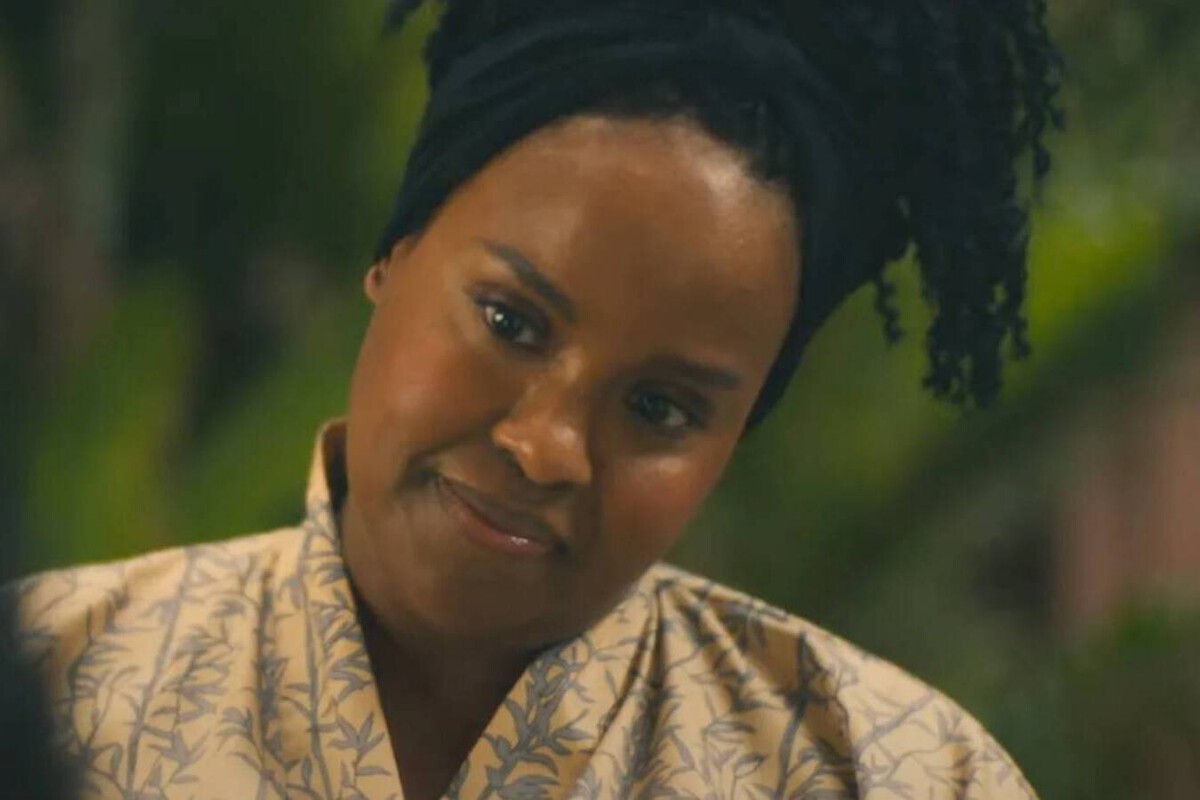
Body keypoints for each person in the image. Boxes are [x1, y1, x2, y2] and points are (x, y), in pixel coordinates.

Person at [11, 0, 1063, 798]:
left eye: (661, 408)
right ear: (396, 252)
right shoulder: (52, 677)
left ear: (738, 435)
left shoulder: (895, 774)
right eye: (511, 321)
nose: (547, 443)